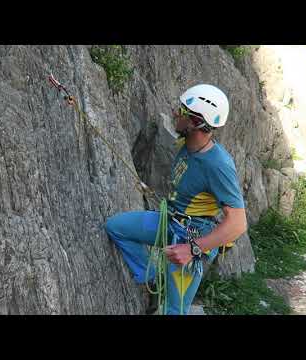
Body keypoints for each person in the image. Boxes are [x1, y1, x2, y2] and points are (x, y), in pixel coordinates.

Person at [105, 84, 247, 315]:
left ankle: (168, 289)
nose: (174, 113)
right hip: (170, 221)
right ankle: (154, 278)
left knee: (174, 309)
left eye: (181, 111)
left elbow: (238, 224)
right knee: (116, 228)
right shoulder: (188, 144)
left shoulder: (218, 165)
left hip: (192, 236)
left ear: (196, 122)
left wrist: (192, 250)